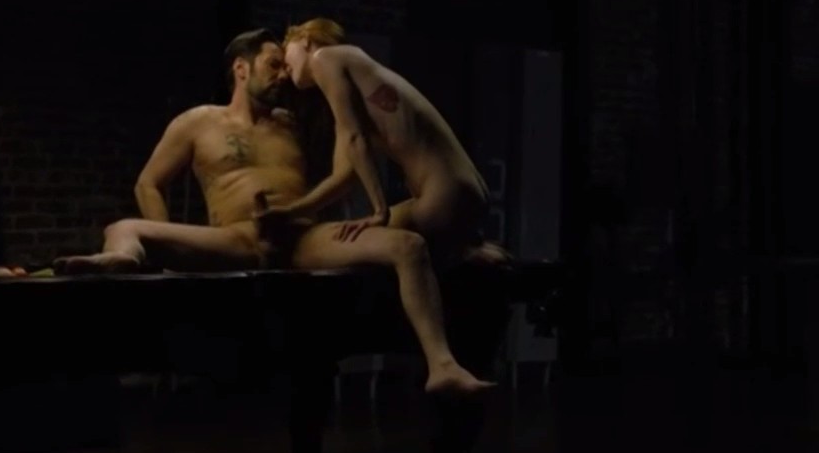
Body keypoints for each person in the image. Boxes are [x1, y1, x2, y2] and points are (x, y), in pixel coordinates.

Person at [54, 29, 494, 396]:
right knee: (124, 227)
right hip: (237, 238)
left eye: (285, 65)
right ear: (240, 68)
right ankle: (124, 258)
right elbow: (148, 182)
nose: (283, 74)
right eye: (273, 64)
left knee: (406, 242)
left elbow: (346, 169)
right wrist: (167, 241)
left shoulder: (292, 121)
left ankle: (448, 330)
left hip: (303, 237)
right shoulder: (197, 122)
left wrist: (326, 212)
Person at [266, 18, 509, 266]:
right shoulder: (352, 86)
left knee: (345, 241)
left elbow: (355, 139)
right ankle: (468, 251)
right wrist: (291, 212)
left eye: (285, 52)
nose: (284, 72)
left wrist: (379, 211)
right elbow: (344, 177)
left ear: (305, 40)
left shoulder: (324, 57)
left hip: (442, 196)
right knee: (359, 239)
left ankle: (462, 252)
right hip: (463, 193)